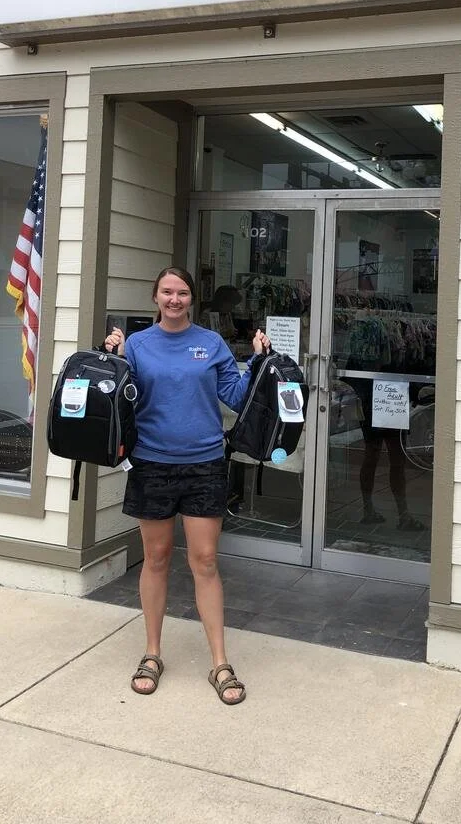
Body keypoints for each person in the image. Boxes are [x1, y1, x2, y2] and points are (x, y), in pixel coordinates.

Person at [104, 266, 269, 704]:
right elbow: (122, 397)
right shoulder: (137, 345)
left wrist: (256, 360)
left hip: (204, 464)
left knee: (206, 561)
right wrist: (112, 358)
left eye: (182, 293)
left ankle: (219, 662)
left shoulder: (210, 343)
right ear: (155, 297)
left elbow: (235, 396)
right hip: (152, 465)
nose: (174, 299)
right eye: (166, 292)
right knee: (155, 559)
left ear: (191, 299)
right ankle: (152, 653)